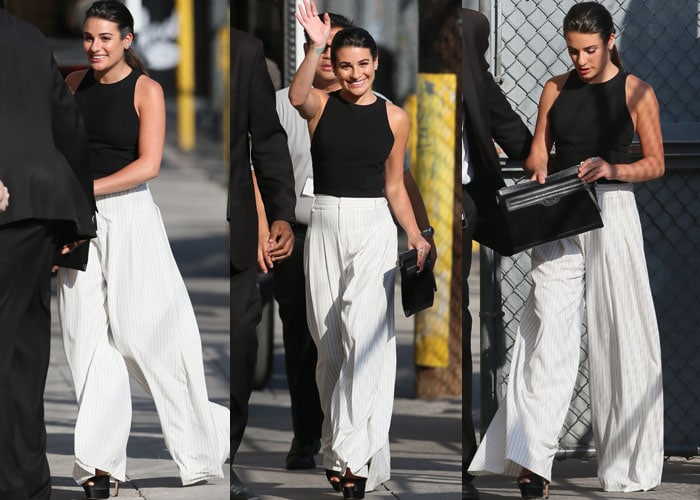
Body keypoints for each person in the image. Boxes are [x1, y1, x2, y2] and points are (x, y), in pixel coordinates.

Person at [468, 2, 665, 497]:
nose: (580, 59)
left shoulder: (638, 91)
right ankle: (534, 460)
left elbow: (656, 163)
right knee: (547, 331)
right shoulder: (554, 88)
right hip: (560, 210)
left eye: (590, 50)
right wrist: (534, 165)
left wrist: (612, 168)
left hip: (613, 209)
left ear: (611, 40)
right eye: (573, 50)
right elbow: (538, 153)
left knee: (622, 334)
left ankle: (626, 463)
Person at [56, 2, 229, 498]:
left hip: (130, 216)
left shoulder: (146, 90)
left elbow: (149, 165)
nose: (95, 47)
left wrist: (87, 188)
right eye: (89, 37)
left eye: (106, 38)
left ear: (127, 40)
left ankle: (204, 439)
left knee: (146, 336)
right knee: (85, 340)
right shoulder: (72, 87)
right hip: (80, 218)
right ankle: (99, 465)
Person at [290, 1, 431, 497]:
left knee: (365, 338)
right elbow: (296, 94)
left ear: (376, 66)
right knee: (329, 349)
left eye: (363, 65)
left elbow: (395, 185)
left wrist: (415, 233)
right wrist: (315, 46)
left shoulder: (396, 117)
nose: (354, 74)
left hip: (374, 228)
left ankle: (348, 455)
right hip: (325, 225)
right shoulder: (321, 106)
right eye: (345, 64)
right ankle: (342, 445)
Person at [0, 6, 96, 499]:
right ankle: (29, 484)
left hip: (7, 202)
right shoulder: (32, 37)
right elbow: (68, 122)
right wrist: (78, 218)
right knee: (25, 349)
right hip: (43, 203)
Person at [459, 8, 533, 500]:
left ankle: (462, 441)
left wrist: (547, 159)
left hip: (459, 200)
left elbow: (509, 127)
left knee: (453, 320)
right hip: (400, 194)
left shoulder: (469, 51)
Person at [230, 23, 297, 500]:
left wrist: (278, 216)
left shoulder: (245, 51)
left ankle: (225, 454)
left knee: (241, 334)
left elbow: (266, 143)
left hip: (240, 220)